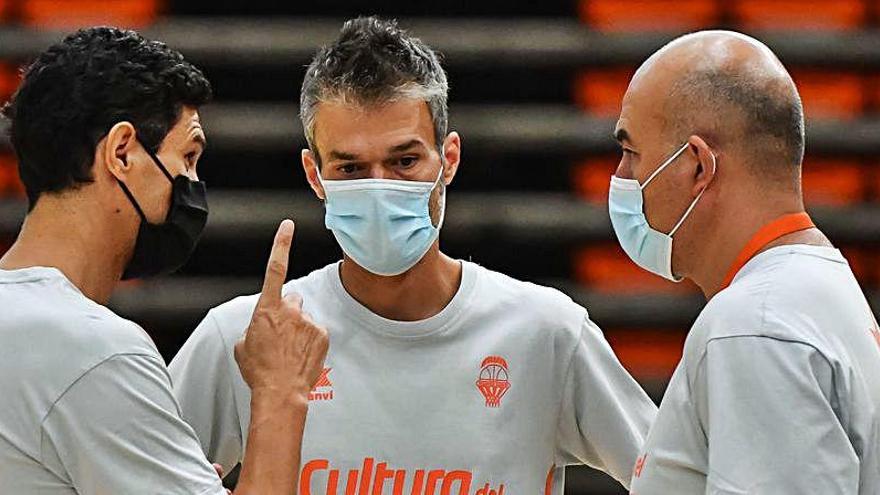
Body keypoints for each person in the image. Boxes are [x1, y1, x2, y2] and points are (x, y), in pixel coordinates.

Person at [169, 16, 657, 494]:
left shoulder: (546, 332)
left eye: (404, 161)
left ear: (448, 159)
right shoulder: (244, 337)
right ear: (314, 174)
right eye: (351, 167)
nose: (380, 187)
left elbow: (673, 479)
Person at [0, 27, 328, 494]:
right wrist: (281, 393)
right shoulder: (94, 351)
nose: (193, 182)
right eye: (188, 157)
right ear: (121, 153)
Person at [606, 31, 880, 494]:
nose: (620, 177)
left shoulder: (757, 324)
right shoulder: (814, 291)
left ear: (697, 165)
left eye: (631, 153)